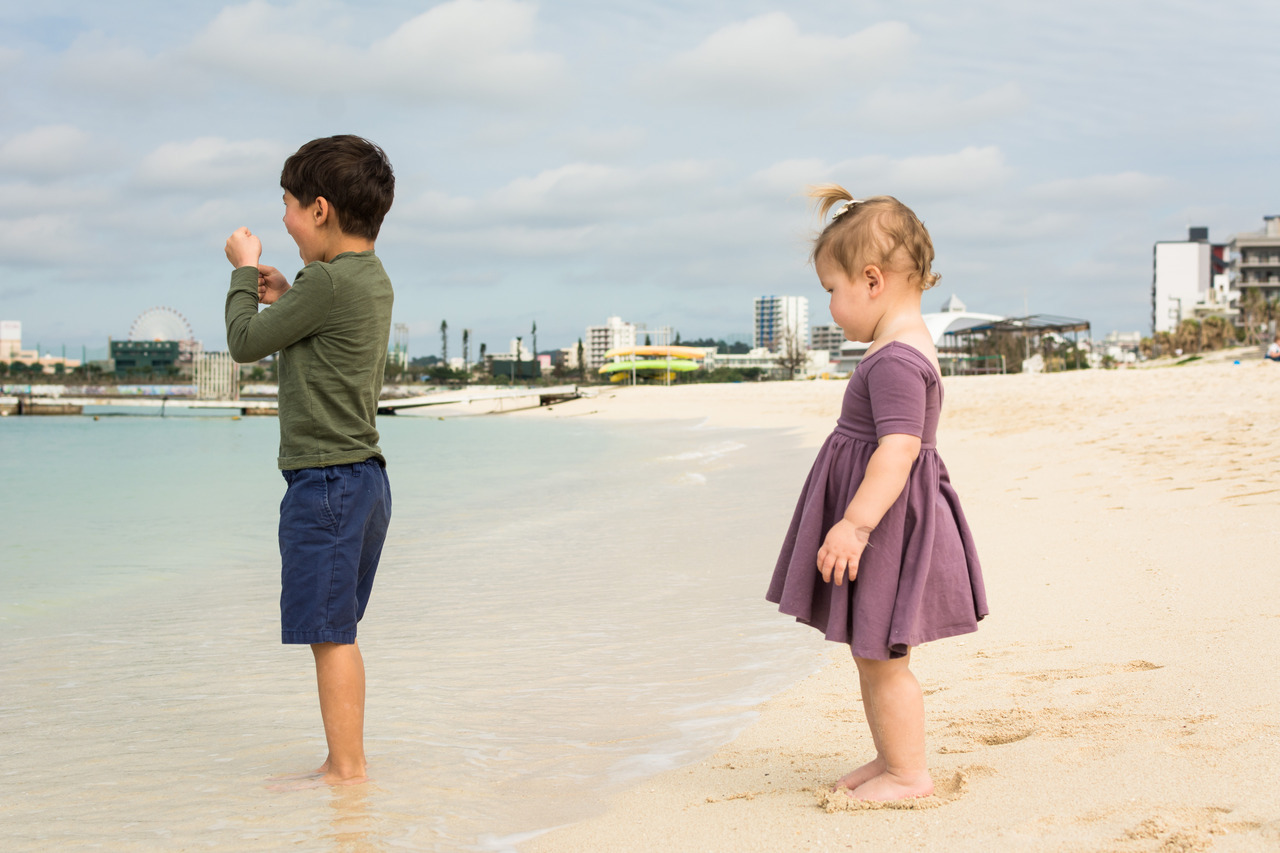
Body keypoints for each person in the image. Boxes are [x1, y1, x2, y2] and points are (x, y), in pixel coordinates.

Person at [766, 186, 987, 802]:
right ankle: (893, 756)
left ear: (871, 281)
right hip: (886, 520)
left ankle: (908, 774)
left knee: (884, 658)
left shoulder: (894, 360)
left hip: (884, 526)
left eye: (830, 289)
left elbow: (899, 450)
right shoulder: (903, 344)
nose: (830, 306)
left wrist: (855, 524)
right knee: (872, 652)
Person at [223, 135, 396, 787]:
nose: (285, 221)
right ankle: (346, 761)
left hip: (325, 480)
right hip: (364, 480)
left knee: (330, 634)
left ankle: (346, 770)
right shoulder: (369, 279)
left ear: (319, 209)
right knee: (337, 629)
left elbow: (243, 342)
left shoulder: (322, 282)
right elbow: (320, 317)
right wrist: (285, 293)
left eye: (289, 207)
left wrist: (243, 271)